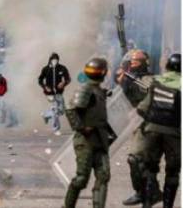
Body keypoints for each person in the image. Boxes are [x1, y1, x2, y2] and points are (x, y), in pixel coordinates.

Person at [64, 57, 114, 208]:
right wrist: (81, 127)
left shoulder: (97, 90)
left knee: (103, 176)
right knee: (81, 179)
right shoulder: (86, 89)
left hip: (100, 140)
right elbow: (71, 109)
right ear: (103, 73)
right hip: (86, 141)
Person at [115, 49, 161, 206]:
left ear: (144, 63)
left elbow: (149, 89)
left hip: (150, 124)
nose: (132, 64)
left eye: (135, 61)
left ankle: (145, 193)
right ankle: (148, 192)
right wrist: (123, 74)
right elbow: (120, 86)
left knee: (137, 159)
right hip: (136, 125)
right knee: (140, 161)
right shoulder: (129, 77)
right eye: (130, 61)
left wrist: (129, 77)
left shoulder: (150, 79)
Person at [137, 53, 181, 208]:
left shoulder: (156, 82)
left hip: (152, 132)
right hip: (174, 134)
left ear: (167, 65)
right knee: (173, 172)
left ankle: (147, 203)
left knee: (149, 168)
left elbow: (142, 108)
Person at [38, 52, 71, 135]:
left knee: (61, 111)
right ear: (50, 60)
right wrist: (45, 87)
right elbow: (40, 80)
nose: (54, 61)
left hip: (59, 93)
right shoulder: (46, 69)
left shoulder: (62, 68)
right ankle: (56, 129)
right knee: (55, 110)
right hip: (50, 94)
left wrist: (63, 83)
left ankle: (46, 115)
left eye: (56, 60)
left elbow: (68, 79)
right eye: (53, 60)